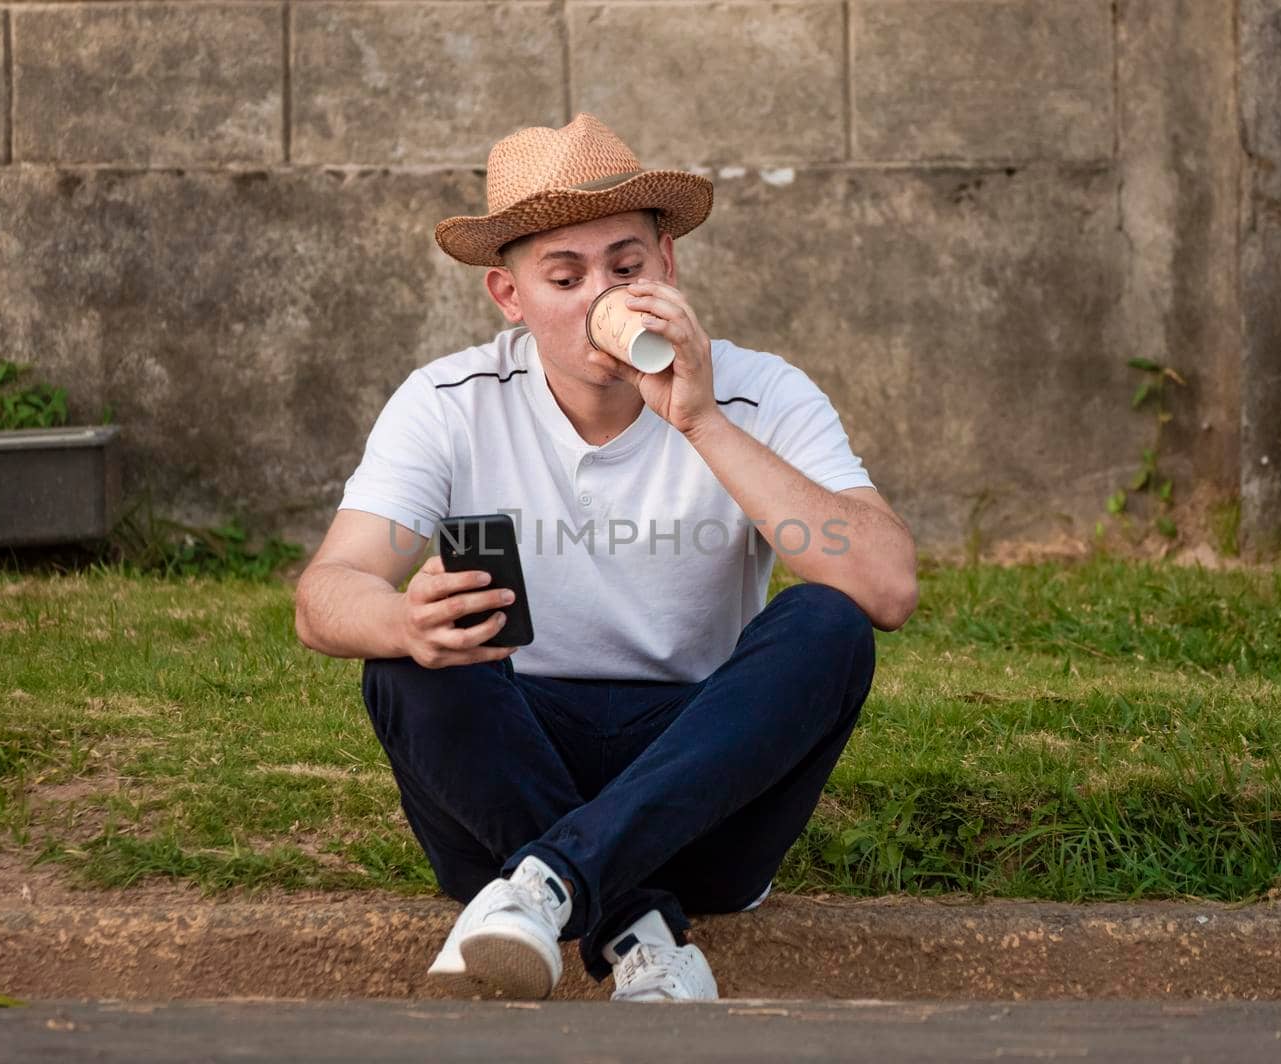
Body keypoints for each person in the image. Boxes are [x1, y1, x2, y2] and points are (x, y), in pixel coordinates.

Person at [295, 114, 917, 1002]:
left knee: (829, 623)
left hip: (703, 780)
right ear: (509, 297)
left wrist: (701, 420)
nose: (602, 296)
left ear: (668, 265)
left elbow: (888, 586)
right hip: (507, 775)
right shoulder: (448, 400)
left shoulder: (758, 390)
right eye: (565, 275)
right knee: (407, 661)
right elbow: (325, 596)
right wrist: (400, 618)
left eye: (625, 268)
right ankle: (634, 926)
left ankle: (547, 886)